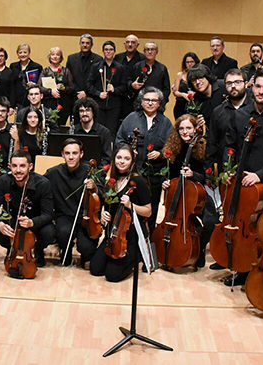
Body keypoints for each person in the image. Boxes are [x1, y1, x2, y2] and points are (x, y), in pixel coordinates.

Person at [223, 67, 263, 285]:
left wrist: (259, 175)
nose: (261, 91)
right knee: (242, 226)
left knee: (259, 230)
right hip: (240, 181)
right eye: (258, 86)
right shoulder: (240, 114)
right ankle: (242, 268)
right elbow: (230, 146)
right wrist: (229, 169)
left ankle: (257, 269)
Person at [90, 144, 152, 282]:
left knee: (112, 275)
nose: (122, 161)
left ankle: (135, 257)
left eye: (126, 158)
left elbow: (148, 211)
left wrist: (131, 205)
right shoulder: (111, 181)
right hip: (113, 233)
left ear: (132, 161)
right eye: (119, 157)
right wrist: (103, 213)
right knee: (95, 269)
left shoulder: (138, 181)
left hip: (130, 235)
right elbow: (107, 204)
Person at [0, 150, 56, 268]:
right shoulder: (3, 181)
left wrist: (32, 222)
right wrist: (0, 224)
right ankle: (11, 248)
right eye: (14, 166)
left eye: (22, 166)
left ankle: (38, 250)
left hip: (35, 223)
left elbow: (48, 214)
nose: (18, 170)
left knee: (49, 232)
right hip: (13, 222)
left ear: (30, 166)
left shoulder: (43, 183)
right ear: (9, 167)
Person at [116, 87, 172, 232]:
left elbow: (172, 146)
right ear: (141, 102)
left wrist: (160, 153)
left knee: (150, 209)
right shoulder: (131, 119)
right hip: (133, 173)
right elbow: (119, 139)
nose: (150, 103)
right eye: (147, 100)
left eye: (154, 100)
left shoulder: (165, 123)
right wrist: (128, 150)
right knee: (130, 207)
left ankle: (149, 240)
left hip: (154, 175)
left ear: (160, 103)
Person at [160, 114, 212, 267]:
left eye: (188, 128)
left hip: (198, 192)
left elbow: (207, 176)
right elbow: (169, 172)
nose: (185, 132)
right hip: (178, 192)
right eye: (181, 128)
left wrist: (193, 174)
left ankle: (199, 248)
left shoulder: (202, 146)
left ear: (195, 129)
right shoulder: (172, 147)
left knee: (211, 221)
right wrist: (166, 182)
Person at [46, 138, 101, 268]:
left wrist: (94, 188)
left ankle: (86, 257)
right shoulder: (53, 173)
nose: (71, 157)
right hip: (64, 216)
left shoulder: (90, 171)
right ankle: (66, 251)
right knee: (63, 232)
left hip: (85, 217)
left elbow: (102, 193)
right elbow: (40, 184)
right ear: (62, 155)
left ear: (81, 154)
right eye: (67, 153)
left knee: (86, 246)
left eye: (75, 153)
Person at [205, 68, 251, 166]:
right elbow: (212, 144)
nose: (233, 86)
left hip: (250, 169)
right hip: (224, 169)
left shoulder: (254, 109)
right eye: (229, 83)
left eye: (237, 82)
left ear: (246, 84)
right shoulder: (217, 112)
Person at [86, 40, 127, 136]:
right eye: (106, 50)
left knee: (111, 131)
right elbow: (88, 85)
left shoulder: (120, 68)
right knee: (98, 130)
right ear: (103, 52)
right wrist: (98, 93)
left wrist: (114, 90)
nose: (108, 51)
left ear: (114, 52)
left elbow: (125, 87)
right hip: (98, 105)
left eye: (111, 49)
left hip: (114, 106)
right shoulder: (96, 66)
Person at [114, 34, 145, 129]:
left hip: (135, 98)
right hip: (119, 97)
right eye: (127, 42)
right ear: (124, 44)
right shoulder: (118, 58)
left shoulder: (143, 58)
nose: (130, 44)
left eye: (133, 42)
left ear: (138, 45)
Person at [72, 97, 113, 167]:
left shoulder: (104, 132)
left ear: (93, 112)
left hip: (97, 172)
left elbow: (107, 158)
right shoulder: (72, 131)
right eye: (81, 111)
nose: (84, 113)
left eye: (87, 110)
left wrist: (97, 173)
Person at [38, 47, 75, 126]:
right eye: (53, 54)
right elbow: (39, 87)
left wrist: (64, 88)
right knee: (49, 125)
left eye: (57, 55)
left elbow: (72, 88)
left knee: (61, 126)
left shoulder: (66, 71)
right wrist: (51, 91)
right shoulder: (45, 71)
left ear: (61, 57)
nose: (55, 57)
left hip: (63, 104)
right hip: (48, 103)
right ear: (50, 57)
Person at [65, 34, 102, 107]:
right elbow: (69, 79)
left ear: (91, 45)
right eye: (83, 43)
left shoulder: (98, 59)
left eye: (87, 43)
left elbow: (98, 80)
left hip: (92, 97)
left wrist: (86, 92)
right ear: (79, 44)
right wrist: (78, 92)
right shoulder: (71, 58)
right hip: (75, 96)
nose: (85, 45)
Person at [10, 43, 43, 107]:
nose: (23, 54)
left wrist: (34, 85)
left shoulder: (37, 67)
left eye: (25, 52)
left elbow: (41, 85)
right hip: (18, 101)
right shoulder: (13, 66)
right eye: (20, 52)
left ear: (29, 53)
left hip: (32, 100)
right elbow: (11, 85)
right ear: (17, 54)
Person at [171, 52, 200, 119]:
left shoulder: (199, 76)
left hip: (194, 106)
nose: (190, 64)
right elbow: (175, 92)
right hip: (180, 105)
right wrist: (183, 95)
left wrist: (195, 94)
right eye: (187, 62)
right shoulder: (180, 75)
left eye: (192, 62)